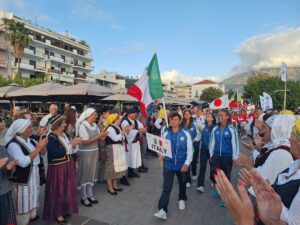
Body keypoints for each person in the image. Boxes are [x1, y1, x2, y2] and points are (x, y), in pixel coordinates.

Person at [236, 114, 294, 192]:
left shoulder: (281, 153)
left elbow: (265, 182)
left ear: (274, 130)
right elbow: (264, 159)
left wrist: (248, 163)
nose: (262, 131)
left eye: (265, 127)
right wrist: (254, 149)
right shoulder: (276, 146)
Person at [5, 119, 48, 225]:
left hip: (34, 173)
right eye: (29, 127)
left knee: (33, 195)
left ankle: (31, 216)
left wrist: (42, 146)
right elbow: (23, 162)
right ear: (21, 130)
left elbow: (43, 154)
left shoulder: (31, 140)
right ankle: (22, 221)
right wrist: (37, 149)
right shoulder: (13, 145)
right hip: (22, 176)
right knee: (23, 200)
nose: (31, 129)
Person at [43, 115, 82, 224]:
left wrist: (74, 144)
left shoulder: (64, 134)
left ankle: (63, 209)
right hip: (57, 168)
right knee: (58, 190)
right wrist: (71, 144)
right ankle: (57, 213)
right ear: (57, 124)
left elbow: (69, 150)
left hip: (67, 165)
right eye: (63, 123)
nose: (65, 124)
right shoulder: (51, 137)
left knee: (66, 189)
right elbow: (56, 153)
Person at [154, 112, 193, 220]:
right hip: (169, 165)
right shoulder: (166, 133)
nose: (173, 121)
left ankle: (181, 198)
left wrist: (187, 163)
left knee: (182, 183)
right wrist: (161, 155)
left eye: (175, 119)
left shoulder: (185, 134)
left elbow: (190, 151)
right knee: (167, 187)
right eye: (171, 120)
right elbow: (162, 148)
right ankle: (162, 210)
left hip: (182, 165)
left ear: (180, 121)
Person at [76, 108, 107, 207]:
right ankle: (84, 197)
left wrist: (103, 134)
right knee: (85, 173)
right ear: (89, 115)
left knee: (92, 173)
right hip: (85, 153)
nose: (96, 116)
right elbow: (85, 142)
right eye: (94, 114)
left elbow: (100, 138)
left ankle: (90, 194)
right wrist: (99, 136)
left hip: (94, 152)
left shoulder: (95, 125)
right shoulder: (83, 126)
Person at [209, 109, 239, 207]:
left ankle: (225, 198)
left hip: (227, 156)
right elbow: (212, 142)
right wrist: (211, 154)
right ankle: (218, 190)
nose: (220, 117)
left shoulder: (232, 129)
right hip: (216, 155)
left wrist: (235, 157)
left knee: (225, 176)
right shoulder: (215, 128)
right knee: (215, 174)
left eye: (222, 115)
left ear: (227, 117)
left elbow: (235, 144)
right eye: (219, 115)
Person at [104, 113, 131, 195]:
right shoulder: (110, 128)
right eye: (119, 119)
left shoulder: (117, 127)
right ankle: (110, 187)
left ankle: (115, 185)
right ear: (114, 120)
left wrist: (125, 132)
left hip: (118, 148)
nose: (120, 120)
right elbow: (115, 138)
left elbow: (122, 138)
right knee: (111, 167)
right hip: (112, 148)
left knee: (117, 166)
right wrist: (123, 131)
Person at [121, 107, 147, 178]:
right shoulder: (125, 121)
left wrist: (143, 129)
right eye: (134, 113)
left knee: (133, 157)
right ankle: (125, 175)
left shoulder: (135, 121)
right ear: (129, 114)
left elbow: (141, 126)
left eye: (136, 113)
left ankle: (131, 172)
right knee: (128, 158)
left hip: (135, 142)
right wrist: (138, 131)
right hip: (129, 144)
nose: (136, 115)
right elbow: (128, 131)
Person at [197, 112, 217, 193]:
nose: (207, 117)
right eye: (206, 116)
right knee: (202, 167)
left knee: (213, 167)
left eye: (209, 116)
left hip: (213, 150)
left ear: (212, 118)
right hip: (204, 149)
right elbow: (197, 124)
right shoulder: (203, 126)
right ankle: (200, 185)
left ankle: (213, 180)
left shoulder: (216, 127)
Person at [181, 109, 200, 187]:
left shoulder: (194, 124)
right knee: (187, 161)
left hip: (194, 145)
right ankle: (188, 180)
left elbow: (199, 134)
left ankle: (194, 172)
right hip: (185, 147)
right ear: (183, 115)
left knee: (194, 160)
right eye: (185, 114)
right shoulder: (181, 124)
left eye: (188, 114)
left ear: (190, 115)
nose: (187, 115)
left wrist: (194, 140)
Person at [0, 148, 17, 225]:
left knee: (6, 219)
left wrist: (9, 169)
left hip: (4, 192)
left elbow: (10, 164)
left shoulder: (1, 149)